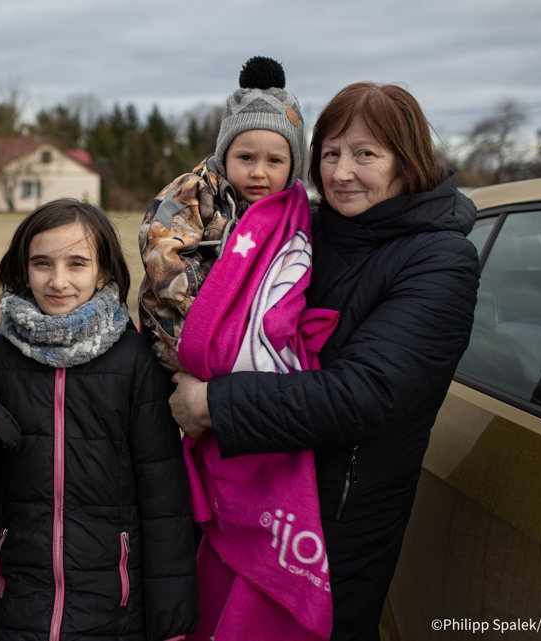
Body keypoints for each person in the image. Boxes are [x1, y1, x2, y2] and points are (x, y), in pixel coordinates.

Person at [169, 81, 481, 641]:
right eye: (330, 153)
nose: (341, 173)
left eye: (365, 154)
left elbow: (366, 394)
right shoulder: (301, 232)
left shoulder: (440, 261)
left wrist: (211, 403)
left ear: (406, 161)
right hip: (246, 493)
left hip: (336, 524)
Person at [138, 56, 338, 640]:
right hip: (185, 344)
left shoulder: (298, 217)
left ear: (293, 165)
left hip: (258, 376)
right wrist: (219, 332)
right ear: (223, 155)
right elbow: (164, 267)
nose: (259, 171)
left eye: (276, 160)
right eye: (245, 157)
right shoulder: (190, 197)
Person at [0, 198, 198, 641]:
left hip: (112, 604)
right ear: (23, 268)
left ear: (105, 272)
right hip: (16, 596)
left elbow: (163, 495)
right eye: (42, 263)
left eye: (77, 263)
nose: (58, 281)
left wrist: (171, 617)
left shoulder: (134, 359)